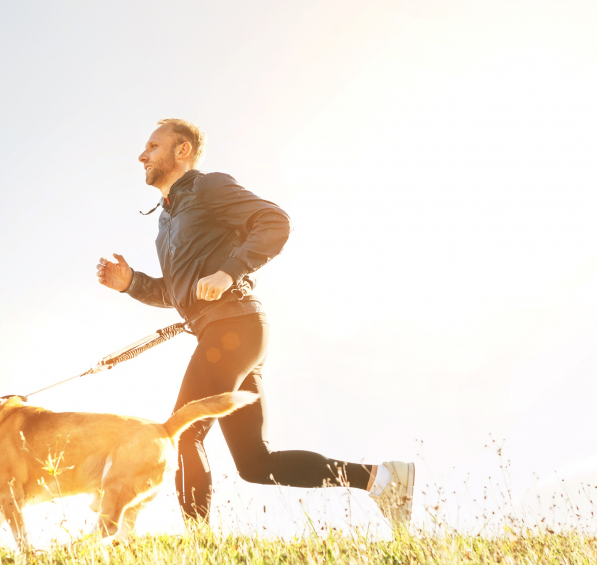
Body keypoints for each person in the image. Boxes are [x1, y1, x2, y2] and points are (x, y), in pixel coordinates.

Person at [96, 118, 415, 528]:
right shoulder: (165, 221)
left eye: (153, 146)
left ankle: (199, 547)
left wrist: (229, 271)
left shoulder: (207, 188)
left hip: (234, 328)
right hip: (225, 333)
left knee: (181, 431)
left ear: (182, 151)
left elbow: (275, 222)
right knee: (255, 464)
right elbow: (181, 293)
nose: (142, 155)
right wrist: (132, 284)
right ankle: (383, 479)